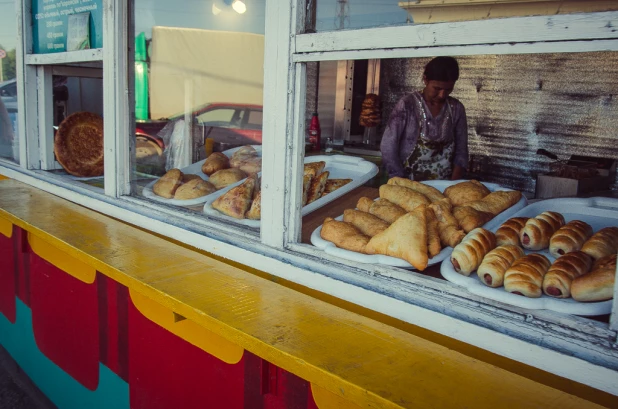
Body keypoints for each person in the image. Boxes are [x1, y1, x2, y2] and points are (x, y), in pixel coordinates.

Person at [380, 56, 468, 181]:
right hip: (407, 181)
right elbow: (388, 146)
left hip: (443, 183)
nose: (442, 94)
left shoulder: (456, 108)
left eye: (448, 89)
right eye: (437, 88)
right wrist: (398, 179)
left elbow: (461, 150)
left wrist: (453, 184)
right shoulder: (407, 104)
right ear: (425, 79)